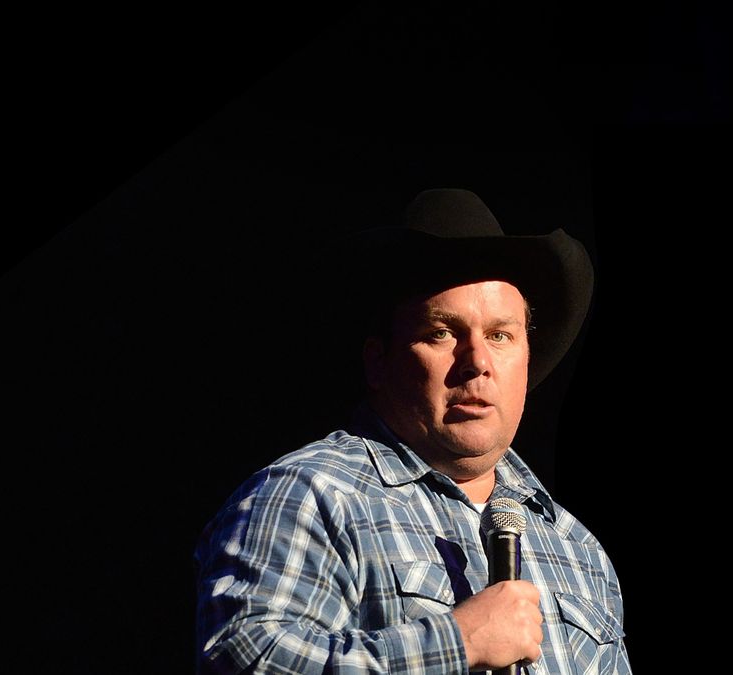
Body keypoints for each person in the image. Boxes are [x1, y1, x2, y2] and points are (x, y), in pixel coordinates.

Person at [194, 188, 631, 674]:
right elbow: (245, 659)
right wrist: (458, 642)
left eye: (500, 335)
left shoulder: (577, 547)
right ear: (379, 362)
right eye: (441, 333)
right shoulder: (311, 496)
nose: (478, 362)